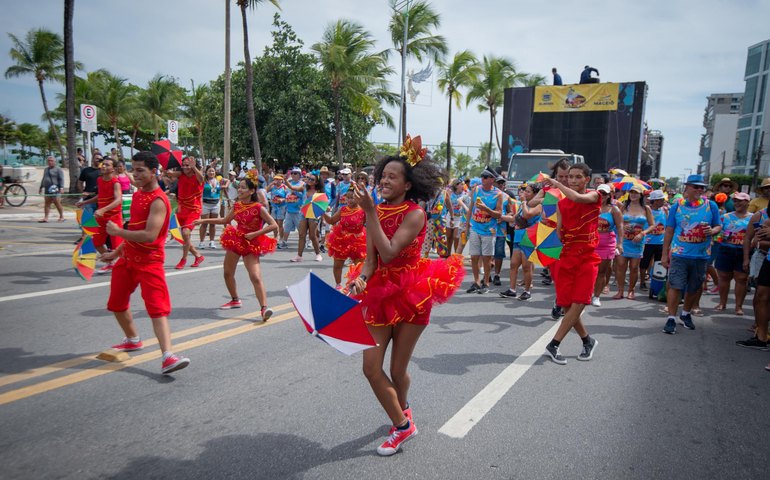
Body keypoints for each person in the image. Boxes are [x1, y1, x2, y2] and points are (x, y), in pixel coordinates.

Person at [347, 144, 464, 456]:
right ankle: (403, 421)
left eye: (392, 177)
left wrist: (370, 211)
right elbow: (373, 261)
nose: (384, 181)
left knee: (398, 371)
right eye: (382, 176)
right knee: (371, 367)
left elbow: (389, 252)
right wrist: (360, 280)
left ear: (408, 184)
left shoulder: (415, 214)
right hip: (379, 293)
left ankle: (401, 420)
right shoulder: (376, 211)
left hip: (413, 291)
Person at [100, 151, 190, 375]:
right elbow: (133, 230)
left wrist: (117, 232)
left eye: (140, 170)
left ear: (153, 172)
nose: (135, 174)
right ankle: (132, 339)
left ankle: (168, 356)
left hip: (150, 262)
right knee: (116, 304)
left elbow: (149, 235)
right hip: (128, 258)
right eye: (134, 169)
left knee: (157, 309)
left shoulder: (159, 200)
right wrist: (116, 253)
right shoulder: (139, 194)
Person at [542, 163, 606, 364]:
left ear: (587, 179)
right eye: (570, 177)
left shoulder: (595, 196)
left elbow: (577, 198)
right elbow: (560, 232)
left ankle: (553, 344)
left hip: (587, 257)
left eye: (578, 177)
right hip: (567, 256)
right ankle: (588, 341)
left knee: (580, 301)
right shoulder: (561, 204)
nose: (573, 180)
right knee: (567, 304)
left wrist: (556, 184)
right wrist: (549, 227)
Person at [194, 177, 277, 320]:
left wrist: (255, 234)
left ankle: (264, 308)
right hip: (236, 240)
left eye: (244, 187)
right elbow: (224, 220)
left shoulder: (259, 207)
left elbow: (273, 225)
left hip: (251, 243)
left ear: (252, 191)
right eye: (239, 187)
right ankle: (235, 299)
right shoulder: (237, 205)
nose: (240, 189)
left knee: (255, 276)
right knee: (227, 273)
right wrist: (203, 220)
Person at [661, 174, 721, 334]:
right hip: (680, 254)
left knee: (694, 286)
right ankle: (671, 318)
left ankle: (686, 314)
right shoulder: (677, 206)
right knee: (675, 285)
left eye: (702, 187)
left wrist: (712, 231)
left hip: (701, 255)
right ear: (687, 187)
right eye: (696, 186)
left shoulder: (711, 206)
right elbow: (669, 231)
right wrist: (664, 254)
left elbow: (718, 226)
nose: (700, 189)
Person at [76, 157, 124, 274]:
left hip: (113, 218)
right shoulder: (100, 180)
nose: (103, 166)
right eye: (103, 164)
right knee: (96, 242)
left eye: (107, 165)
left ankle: (126, 265)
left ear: (113, 169)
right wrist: (85, 202)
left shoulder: (115, 182)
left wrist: (104, 209)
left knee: (119, 247)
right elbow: (100, 196)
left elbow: (118, 200)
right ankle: (110, 263)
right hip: (101, 218)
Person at [499, 184, 541, 300]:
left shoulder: (537, 205)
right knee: (513, 264)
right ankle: (512, 290)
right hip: (518, 237)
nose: (524, 193)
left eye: (528, 192)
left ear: (535, 194)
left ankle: (527, 291)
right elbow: (515, 218)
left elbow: (527, 215)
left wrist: (522, 202)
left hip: (529, 237)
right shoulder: (523, 205)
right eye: (524, 191)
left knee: (526, 266)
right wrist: (501, 216)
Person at [465, 169, 503, 294]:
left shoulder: (498, 194)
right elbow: (470, 208)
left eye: (486, 177)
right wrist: (467, 226)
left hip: (489, 230)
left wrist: (486, 209)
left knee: (487, 258)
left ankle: (486, 282)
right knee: (474, 256)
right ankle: (476, 282)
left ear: (492, 179)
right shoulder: (476, 190)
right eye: (482, 176)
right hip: (475, 227)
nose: (483, 179)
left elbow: (498, 214)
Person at [164, 156, 205, 269]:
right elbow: (170, 173)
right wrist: (166, 168)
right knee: (182, 236)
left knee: (186, 233)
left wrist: (194, 168)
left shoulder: (197, 176)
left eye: (188, 165)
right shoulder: (181, 174)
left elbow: (201, 179)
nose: (185, 167)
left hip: (194, 210)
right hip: (181, 210)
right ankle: (198, 255)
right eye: (184, 165)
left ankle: (183, 259)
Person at [614, 185, 654, 299]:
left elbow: (652, 225)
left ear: (641, 195)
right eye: (631, 192)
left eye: (636, 192)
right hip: (624, 240)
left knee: (634, 267)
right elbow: (617, 221)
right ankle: (620, 290)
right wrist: (623, 226)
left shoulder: (646, 208)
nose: (633, 194)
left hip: (637, 242)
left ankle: (631, 290)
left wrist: (642, 233)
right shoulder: (624, 206)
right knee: (620, 265)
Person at [715, 192, 752, 315]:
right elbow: (718, 233)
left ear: (747, 202)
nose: (737, 203)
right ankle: (722, 303)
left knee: (741, 279)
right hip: (726, 249)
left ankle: (738, 306)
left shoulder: (753, 217)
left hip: (744, 251)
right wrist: (721, 237)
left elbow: (756, 235)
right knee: (724, 277)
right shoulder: (725, 217)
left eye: (740, 201)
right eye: (735, 201)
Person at [738, 211, 770, 355]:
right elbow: (756, 241)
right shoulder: (766, 219)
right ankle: (761, 338)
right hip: (769, 260)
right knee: (760, 297)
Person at [323, 188, 366, 289]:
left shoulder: (363, 211)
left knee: (359, 267)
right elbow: (331, 220)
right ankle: (338, 286)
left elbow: (372, 223)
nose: (350, 200)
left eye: (353, 198)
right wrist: (323, 213)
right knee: (338, 265)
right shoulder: (342, 210)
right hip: (342, 240)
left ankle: (355, 287)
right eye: (348, 198)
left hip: (359, 240)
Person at [591, 183, 623, 306]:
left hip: (607, 243)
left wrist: (620, 244)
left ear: (609, 195)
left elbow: (620, 227)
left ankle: (596, 296)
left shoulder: (613, 209)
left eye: (605, 193)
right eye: (600, 193)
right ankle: (587, 292)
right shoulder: (591, 206)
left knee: (601, 271)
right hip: (591, 242)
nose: (602, 196)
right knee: (589, 270)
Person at [291, 173, 322, 262]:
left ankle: (318, 254)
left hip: (313, 213)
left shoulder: (319, 191)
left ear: (316, 182)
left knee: (312, 235)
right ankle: (299, 256)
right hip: (304, 213)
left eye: (312, 179)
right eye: (309, 178)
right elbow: (293, 188)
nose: (309, 180)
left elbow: (323, 204)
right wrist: (285, 181)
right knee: (301, 234)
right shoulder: (304, 187)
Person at [639, 190, 667, 290]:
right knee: (644, 263)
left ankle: (656, 284)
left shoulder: (665, 210)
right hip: (648, 242)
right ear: (654, 201)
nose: (663, 201)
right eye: (661, 200)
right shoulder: (646, 210)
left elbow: (667, 226)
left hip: (661, 243)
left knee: (659, 264)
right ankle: (642, 282)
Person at [280, 167, 305, 249]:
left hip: (298, 210)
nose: (293, 175)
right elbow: (286, 195)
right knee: (286, 227)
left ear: (299, 175)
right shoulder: (289, 184)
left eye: (295, 173)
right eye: (292, 173)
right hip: (289, 209)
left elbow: (303, 195)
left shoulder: (302, 184)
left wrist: (295, 192)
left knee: (300, 228)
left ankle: (304, 242)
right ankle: (284, 242)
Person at [198, 165, 222, 250]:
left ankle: (212, 242)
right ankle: (201, 242)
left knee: (213, 224)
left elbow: (228, 182)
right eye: (209, 171)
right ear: (206, 173)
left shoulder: (219, 180)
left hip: (216, 204)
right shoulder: (203, 181)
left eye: (213, 171)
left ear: (215, 172)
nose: (211, 173)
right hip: (205, 205)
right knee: (204, 223)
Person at [38, 155, 65, 223]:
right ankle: (46, 217)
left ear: (55, 162)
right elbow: (44, 178)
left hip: (55, 189)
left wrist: (61, 187)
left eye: (51, 161)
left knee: (57, 203)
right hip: (47, 189)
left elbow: (61, 179)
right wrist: (41, 187)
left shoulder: (58, 169)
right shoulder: (46, 169)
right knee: (47, 203)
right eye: (49, 161)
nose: (50, 162)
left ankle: (61, 216)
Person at [447, 178, 469, 255]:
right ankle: (448, 253)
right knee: (449, 236)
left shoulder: (465, 194)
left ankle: (456, 255)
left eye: (463, 184)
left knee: (456, 237)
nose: (463, 186)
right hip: (450, 216)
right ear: (456, 185)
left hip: (460, 217)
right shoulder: (450, 193)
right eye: (461, 184)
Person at [267, 174, 288, 242]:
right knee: (274, 223)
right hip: (274, 207)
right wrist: (271, 183)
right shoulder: (273, 187)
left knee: (280, 223)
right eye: (276, 179)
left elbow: (288, 197)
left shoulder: (284, 187)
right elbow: (265, 190)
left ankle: (281, 238)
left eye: (279, 179)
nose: (277, 181)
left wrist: (283, 199)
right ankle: (275, 237)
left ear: (282, 180)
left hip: (281, 207)